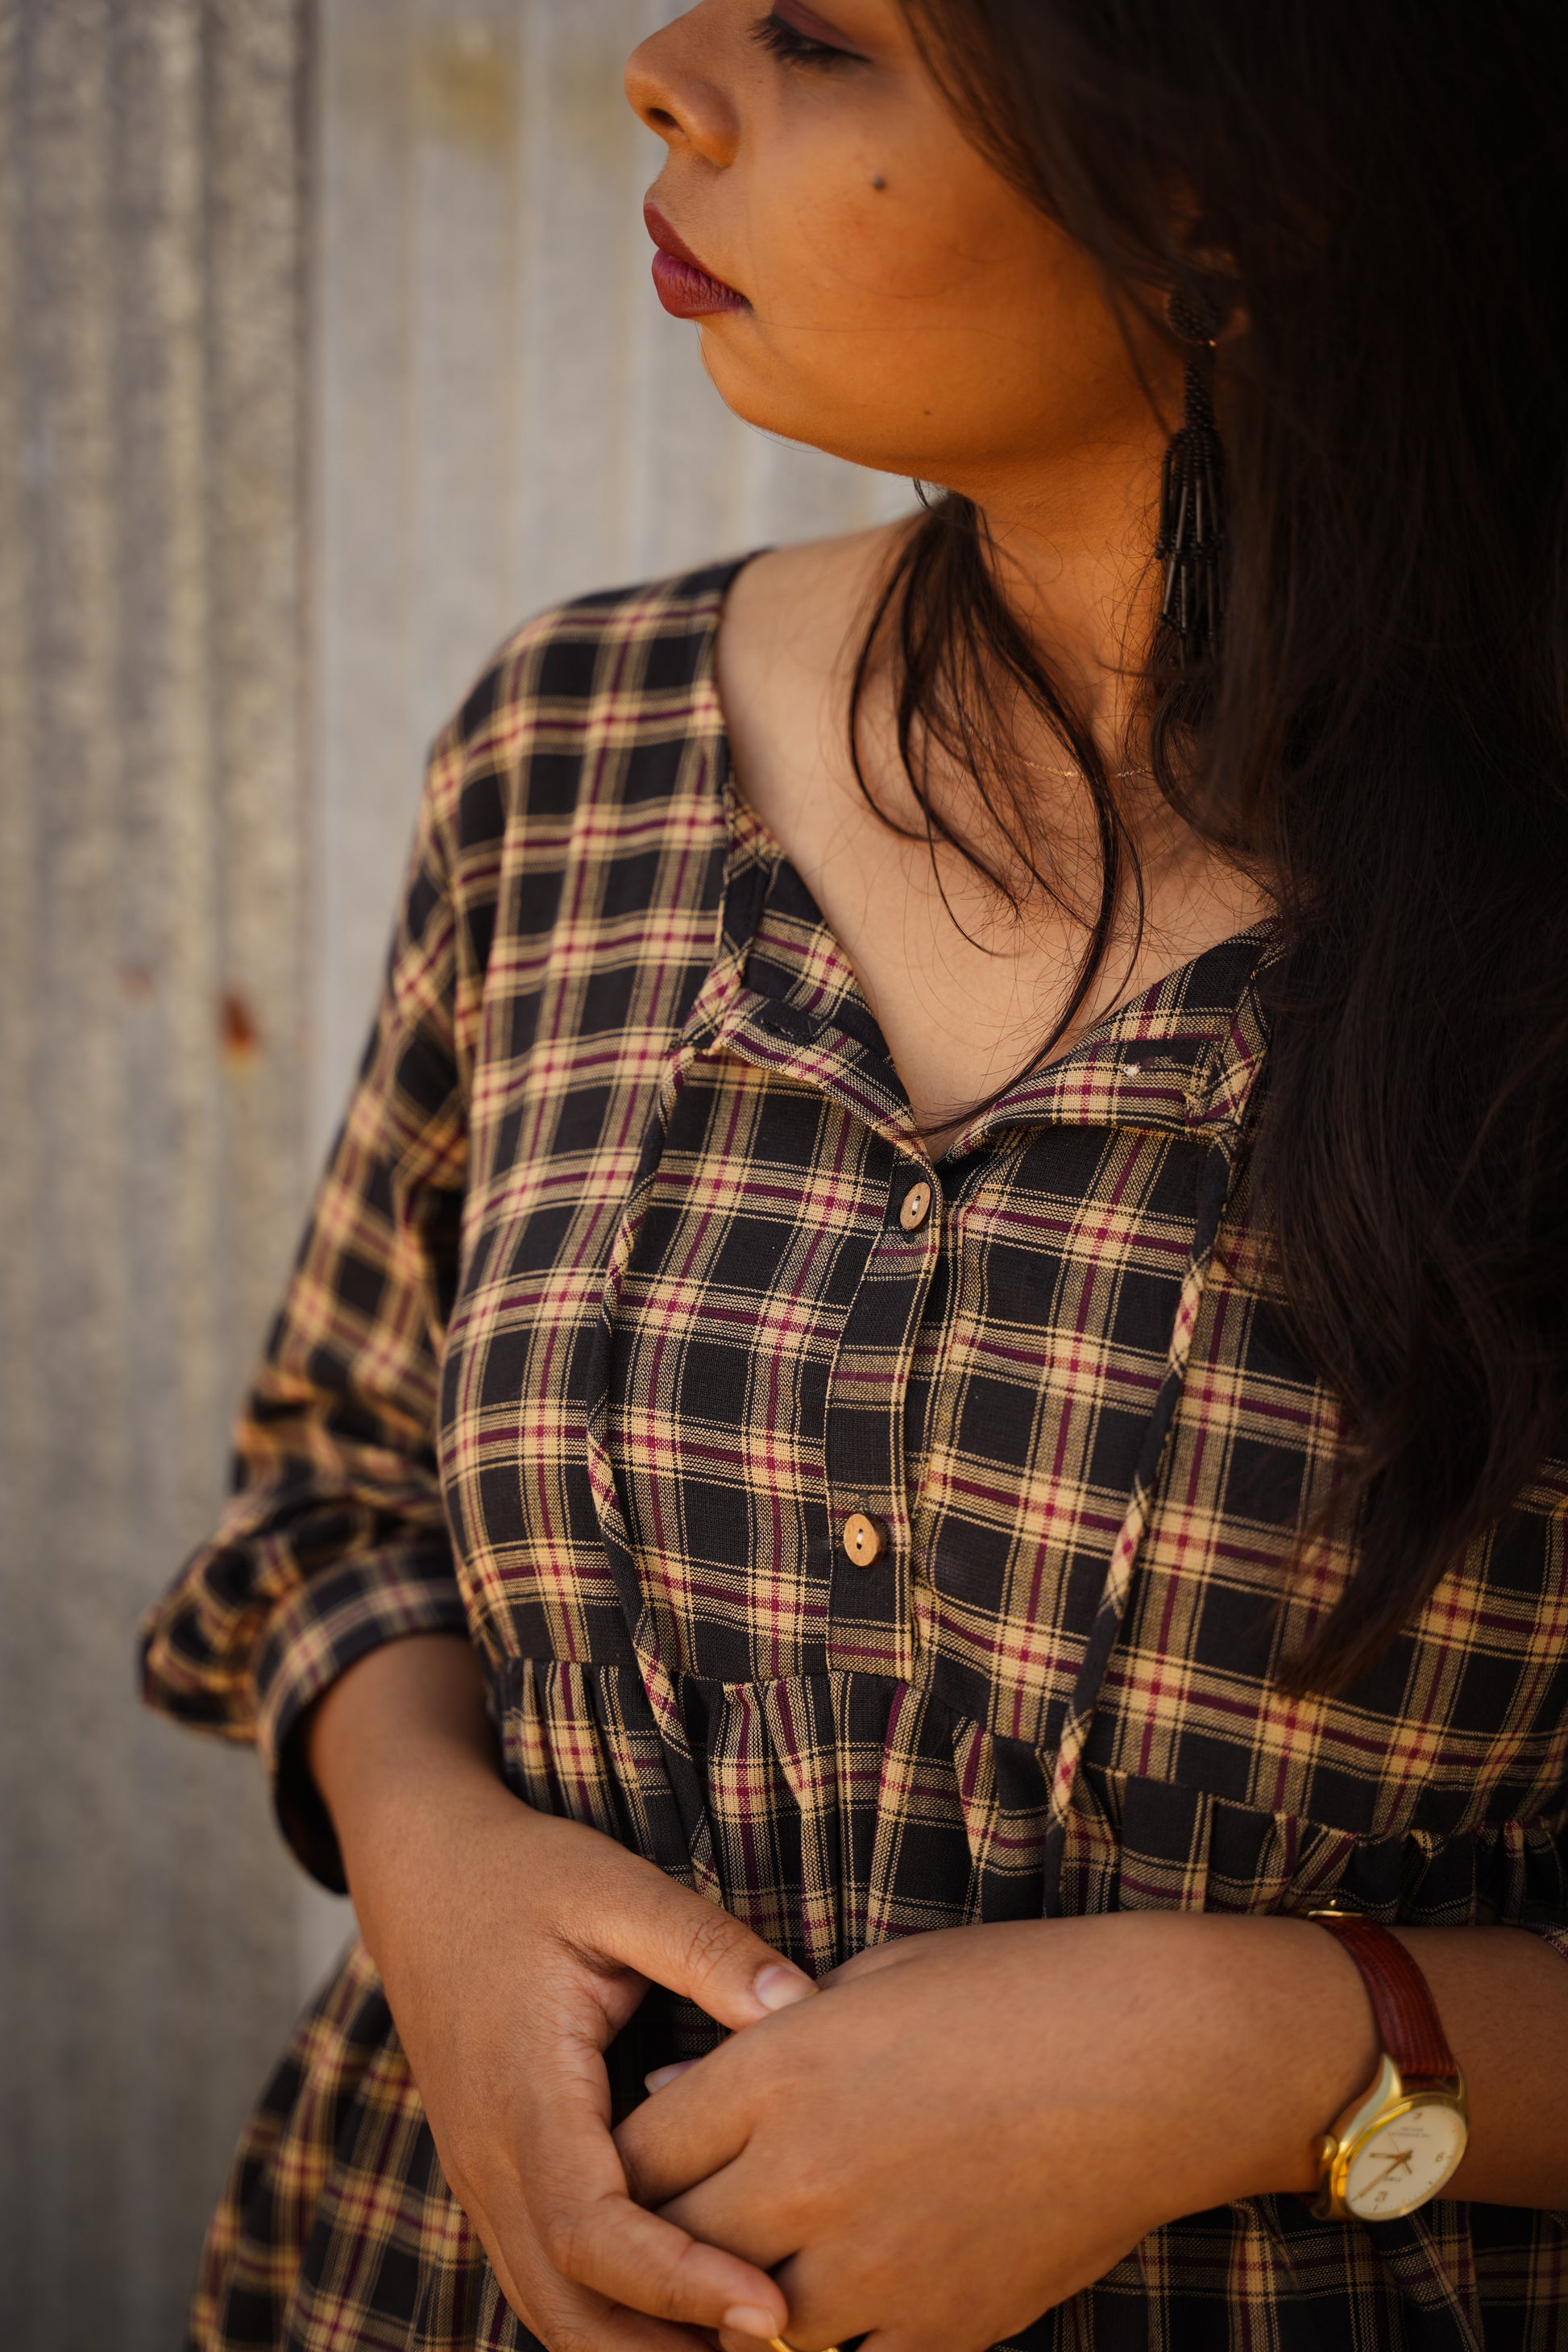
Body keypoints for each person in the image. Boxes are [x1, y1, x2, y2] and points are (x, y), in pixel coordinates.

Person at [141, 3, 1568, 2347]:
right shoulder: (574, 746)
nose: (663, 68)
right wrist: (435, 1868)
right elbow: (343, 1484)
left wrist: (1266, 2050)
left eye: (821, 37)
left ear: (1238, 192)